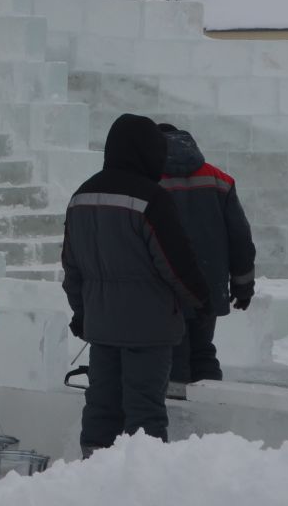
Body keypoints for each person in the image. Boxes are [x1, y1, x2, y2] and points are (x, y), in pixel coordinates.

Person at [63, 114, 211, 455]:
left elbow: (72, 268)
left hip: (101, 327)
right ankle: (143, 487)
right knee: (144, 412)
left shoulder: (81, 196)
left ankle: (92, 474)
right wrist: (199, 301)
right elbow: (175, 262)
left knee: (101, 407)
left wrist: (82, 313)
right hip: (149, 329)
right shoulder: (151, 199)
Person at [157, 123, 257, 390]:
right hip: (209, 285)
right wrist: (243, 285)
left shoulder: (149, 180)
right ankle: (213, 410)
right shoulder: (219, 180)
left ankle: (179, 418)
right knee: (202, 349)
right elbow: (240, 237)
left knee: (173, 354)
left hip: (166, 285)